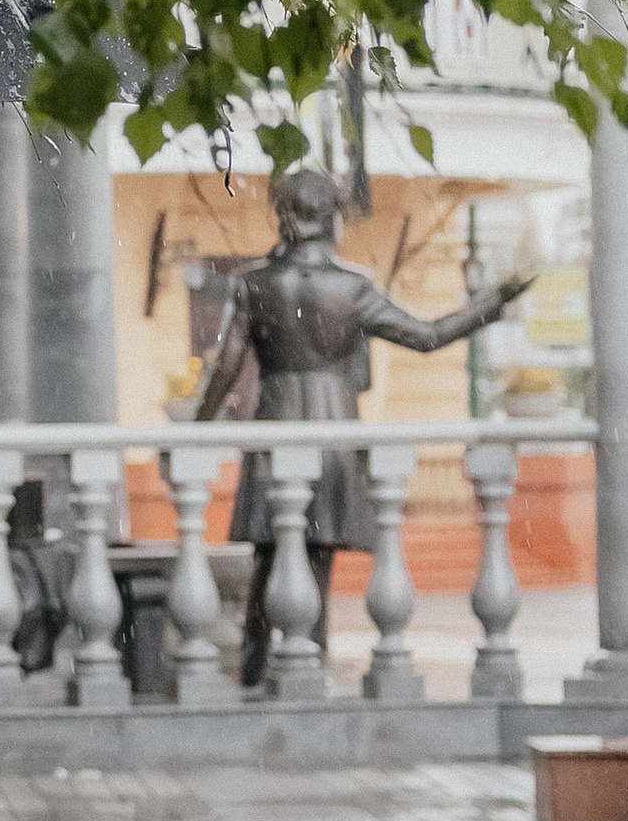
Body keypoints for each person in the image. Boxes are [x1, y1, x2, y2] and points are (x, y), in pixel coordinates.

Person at [195, 162, 531, 683]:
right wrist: (491, 304)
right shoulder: (351, 290)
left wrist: (194, 430)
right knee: (317, 558)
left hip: (276, 423)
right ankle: (309, 663)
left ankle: (256, 669)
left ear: (282, 214)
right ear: (331, 216)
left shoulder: (253, 284)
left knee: (269, 556)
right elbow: (427, 336)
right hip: (333, 426)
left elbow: (225, 369)